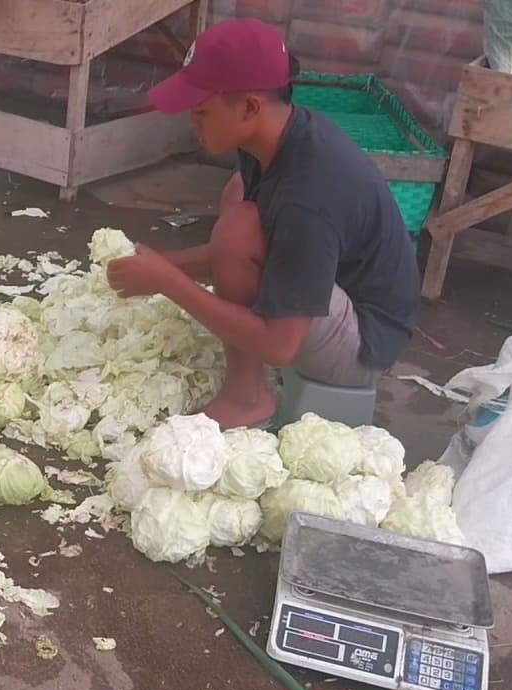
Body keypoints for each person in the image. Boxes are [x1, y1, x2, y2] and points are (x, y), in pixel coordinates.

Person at [106, 18, 421, 429]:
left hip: (363, 346)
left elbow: (279, 345)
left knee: (239, 228)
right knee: (238, 198)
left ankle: (247, 397)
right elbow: (248, 251)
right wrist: (163, 266)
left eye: (201, 111)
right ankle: (246, 387)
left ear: (250, 107)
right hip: (336, 293)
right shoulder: (278, 135)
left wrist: (169, 282)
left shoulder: (306, 196)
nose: (192, 122)